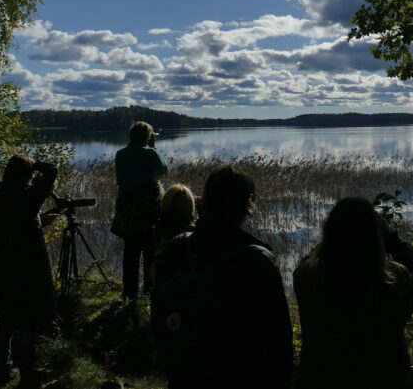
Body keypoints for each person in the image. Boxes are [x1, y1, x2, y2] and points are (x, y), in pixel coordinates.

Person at [151, 165, 293, 389]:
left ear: (203, 203)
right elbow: (278, 347)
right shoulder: (258, 262)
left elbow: (160, 328)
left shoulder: (171, 252)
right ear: (247, 207)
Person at [293, 197, 413, 389]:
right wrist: (392, 240)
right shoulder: (393, 281)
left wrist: (334, 237)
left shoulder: (307, 279)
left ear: (329, 232)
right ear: (375, 237)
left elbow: (308, 262)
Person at [0, 154, 59, 389]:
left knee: (6, 320)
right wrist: (34, 163)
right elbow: (52, 171)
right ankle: (27, 372)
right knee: (29, 321)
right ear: (26, 175)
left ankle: (1, 371)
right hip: (30, 270)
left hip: (6, 270)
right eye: (30, 174)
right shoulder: (27, 197)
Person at [112, 121, 168, 300]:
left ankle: (129, 293)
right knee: (151, 251)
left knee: (130, 252)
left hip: (128, 210)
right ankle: (150, 291)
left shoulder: (120, 154)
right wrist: (153, 146)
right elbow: (164, 170)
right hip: (149, 209)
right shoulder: (151, 154)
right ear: (147, 137)